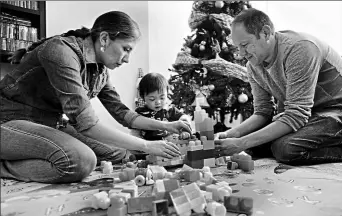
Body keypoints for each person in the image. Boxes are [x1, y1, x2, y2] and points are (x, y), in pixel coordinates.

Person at [0, 11, 191, 184]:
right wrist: (147, 145)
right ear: (105, 39)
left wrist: (167, 126)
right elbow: (87, 124)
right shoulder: (60, 52)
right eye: (126, 49)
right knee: (80, 161)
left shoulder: (100, 71)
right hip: (9, 120)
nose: (127, 59)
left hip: (50, 124)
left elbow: (122, 113)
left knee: (122, 153)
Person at [215, 8, 342, 165]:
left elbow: (296, 115)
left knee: (285, 149)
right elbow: (263, 111)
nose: (241, 53)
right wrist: (231, 134)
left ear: (266, 33)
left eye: (245, 45)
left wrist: (242, 143)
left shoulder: (300, 49)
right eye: (237, 47)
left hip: (334, 110)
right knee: (256, 147)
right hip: (310, 116)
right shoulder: (253, 65)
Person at [135, 72, 191, 141]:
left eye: (162, 98)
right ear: (143, 97)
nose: (158, 102)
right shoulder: (140, 112)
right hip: (149, 147)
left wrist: (184, 131)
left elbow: (184, 119)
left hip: (169, 144)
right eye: (152, 99)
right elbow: (135, 132)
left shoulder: (169, 110)